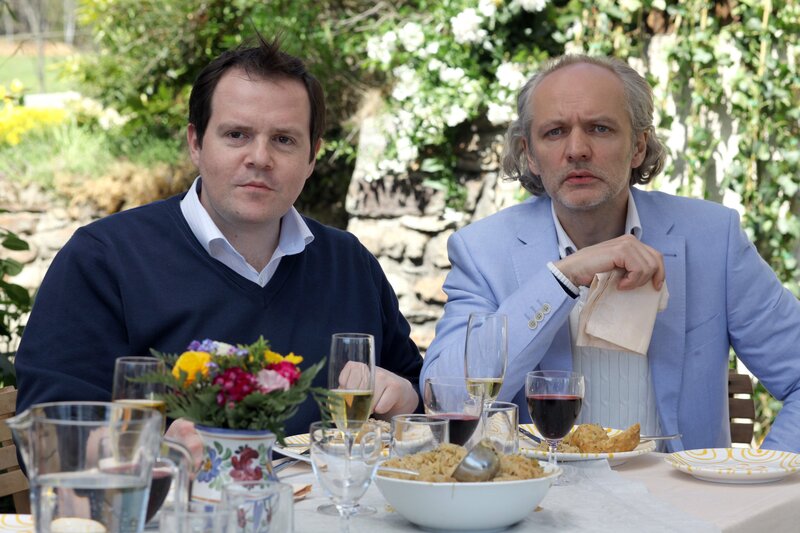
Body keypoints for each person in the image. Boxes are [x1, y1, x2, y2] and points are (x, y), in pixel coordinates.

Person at [15, 35, 423, 465]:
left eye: (284, 140)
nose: (260, 157)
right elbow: (48, 441)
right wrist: (152, 452)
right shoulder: (104, 259)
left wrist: (405, 398)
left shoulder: (349, 264)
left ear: (312, 157)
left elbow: (420, 400)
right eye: (236, 134)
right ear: (195, 143)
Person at [421, 54, 800, 453]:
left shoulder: (712, 238)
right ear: (529, 153)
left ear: (638, 146)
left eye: (599, 128)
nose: (577, 149)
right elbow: (445, 402)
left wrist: (772, 476)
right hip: (542, 491)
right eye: (554, 132)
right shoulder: (483, 250)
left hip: (677, 491)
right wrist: (563, 278)